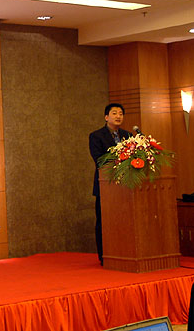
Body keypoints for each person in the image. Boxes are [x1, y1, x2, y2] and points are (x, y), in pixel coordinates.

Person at [88, 103, 131, 265]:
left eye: (121, 113)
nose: (118, 116)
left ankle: (124, 252)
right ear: (106, 117)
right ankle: (104, 255)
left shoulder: (128, 136)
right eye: (114, 113)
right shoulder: (96, 136)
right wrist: (119, 160)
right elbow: (99, 160)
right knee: (104, 221)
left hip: (125, 187)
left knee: (124, 221)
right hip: (105, 187)